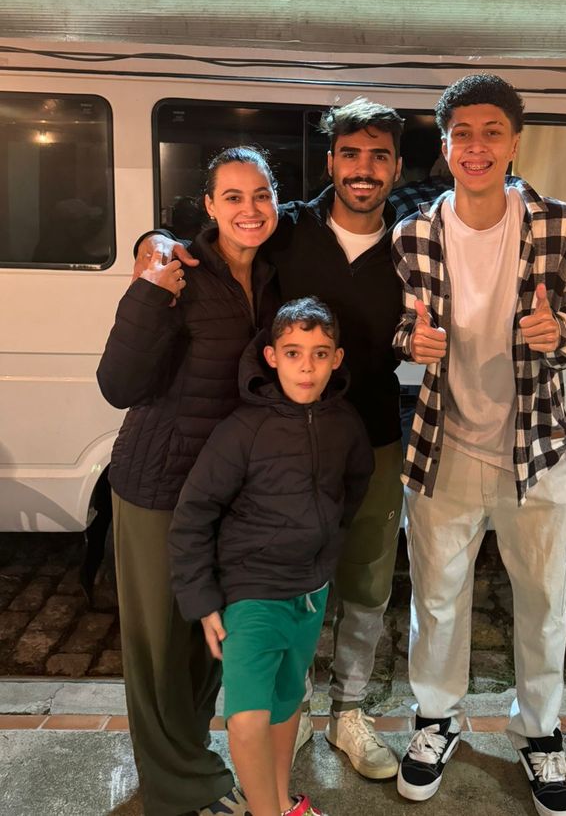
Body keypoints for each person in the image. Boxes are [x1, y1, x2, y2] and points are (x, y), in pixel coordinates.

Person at [134, 99, 406, 780]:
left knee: (366, 578)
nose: (364, 169)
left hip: (370, 436)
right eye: (350, 153)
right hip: (279, 437)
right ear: (330, 162)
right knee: (288, 570)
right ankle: (297, 703)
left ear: (398, 167)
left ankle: (350, 709)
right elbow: (220, 229)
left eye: (379, 155)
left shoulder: (414, 237)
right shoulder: (291, 228)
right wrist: (154, 239)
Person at [391, 74, 566, 816]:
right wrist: (410, 340)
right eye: (462, 133)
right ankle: (436, 720)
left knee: (543, 601)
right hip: (442, 447)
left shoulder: (557, 225)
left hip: (537, 450)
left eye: (491, 132)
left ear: (515, 142)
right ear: (446, 144)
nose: (475, 146)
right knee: (434, 601)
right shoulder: (413, 235)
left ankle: (538, 730)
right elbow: (402, 325)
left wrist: (559, 333)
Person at [97, 145, 280, 816]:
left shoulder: (274, 277)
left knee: (206, 640)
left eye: (261, 194)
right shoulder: (179, 271)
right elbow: (118, 384)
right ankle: (178, 788)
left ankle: (188, 758)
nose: (249, 209)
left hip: (226, 495)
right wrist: (149, 284)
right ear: (208, 206)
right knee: (158, 648)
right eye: (232, 196)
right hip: (157, 485)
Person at [169, 297, 374, 816]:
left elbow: (354, 487)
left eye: (320, 354)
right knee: (247, 717)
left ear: (337, 358)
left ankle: (282, 802)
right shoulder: (242, 430)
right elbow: (194, 512)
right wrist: (202, 600)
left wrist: (326, 549)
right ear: (271, 356)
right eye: (293, 352)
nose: (307, 367)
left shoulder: (346, 424)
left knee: (286, 702)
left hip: (309, 593)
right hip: (251, 594)